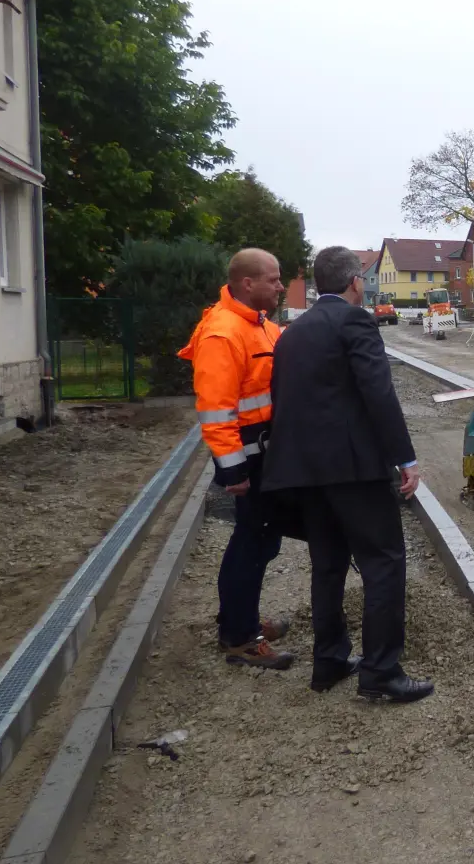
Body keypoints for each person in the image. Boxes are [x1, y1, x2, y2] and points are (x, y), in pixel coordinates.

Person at [261, 246, 434, 703]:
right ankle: (380, 672)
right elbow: (378, 393)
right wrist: (405, 459)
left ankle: (330, 660)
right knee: (383, 562)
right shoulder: (355, 322)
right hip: (354, 469)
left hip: (306, 472)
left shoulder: (291, 333)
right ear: (355, 281)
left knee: (328, 565)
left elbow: (282, 396)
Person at [178, 248, 295, 670]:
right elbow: (215, 410)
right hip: (247, 456)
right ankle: (240, 637)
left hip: (263, 451)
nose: (281, 287)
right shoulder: (223, 334)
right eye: (275, 279)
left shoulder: (258, 326)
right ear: (248, 283)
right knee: (251, 541)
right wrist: (234, 471)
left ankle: (241, 617)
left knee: (261, 539)